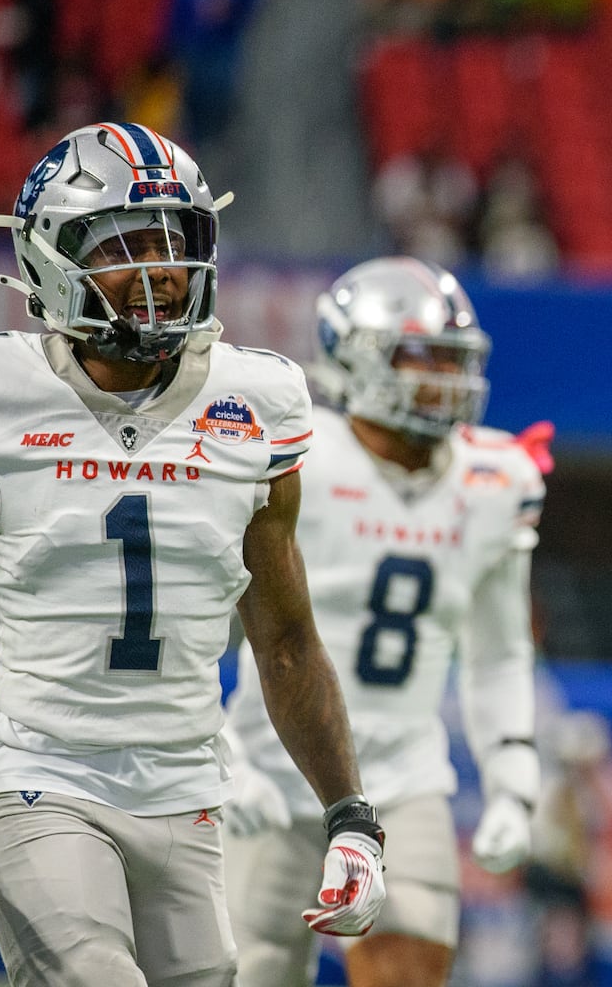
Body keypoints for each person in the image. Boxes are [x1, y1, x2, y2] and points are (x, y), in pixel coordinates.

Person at [0, 122, 386, 986]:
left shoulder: (257, 403)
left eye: (176, 242)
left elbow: (286, 640)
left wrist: (351, 814)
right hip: (43, 768)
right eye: (127, 244)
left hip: (185, 783)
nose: (162, 270)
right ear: (52, 260)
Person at [220, 256, 548, 987]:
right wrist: (221, 752)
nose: (444, 378)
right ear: (355, 356)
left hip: (404, 777)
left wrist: (513, 775)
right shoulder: (297, 458)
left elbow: (498, 652)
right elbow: (200, 615)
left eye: (453, 359)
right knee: (254, 971)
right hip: (273, 773)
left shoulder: (494, 479)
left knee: (409, 967)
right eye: (422, 355)